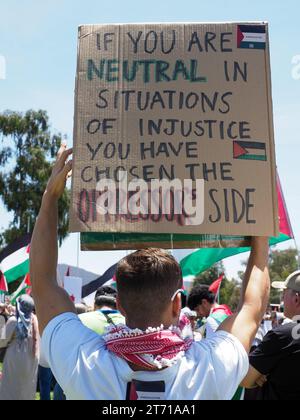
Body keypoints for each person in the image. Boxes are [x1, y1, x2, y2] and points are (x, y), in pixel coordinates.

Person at [30, 144, 270, 400]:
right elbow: (252, 308)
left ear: (119, 305)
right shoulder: (210, 367)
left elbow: (43, 284)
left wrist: (49, 200)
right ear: (178, 303)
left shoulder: (83, 361)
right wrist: (261, 232)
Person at [241, 270, 300, 400]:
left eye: (284, 294)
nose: (282, 299)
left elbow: (245, 379)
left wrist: (262, 374)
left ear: (296, 299)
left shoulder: (283, 335)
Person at [0, 295, 39, 400]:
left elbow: (1, 341)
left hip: (15, 359)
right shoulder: (35, 321)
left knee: (10, 391)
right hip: (31, 358)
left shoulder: (13, 320)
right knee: (25, 391)